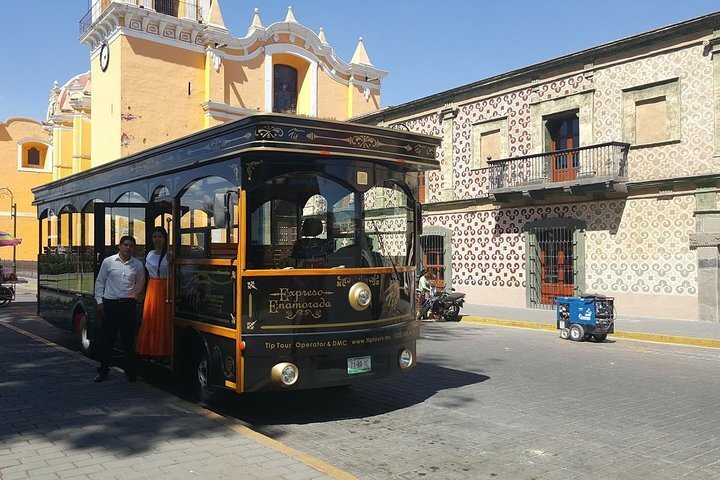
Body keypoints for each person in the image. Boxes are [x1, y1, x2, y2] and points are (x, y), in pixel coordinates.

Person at [94, 235, 146, 383]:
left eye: (131, 246)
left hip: (128, 306)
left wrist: (132, 296)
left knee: (128, 341)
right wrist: (99, 301)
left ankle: (130, 372)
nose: (128, 248)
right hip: (110, 305)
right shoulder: (108, 262)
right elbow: (100, 282)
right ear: (119, 246)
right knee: (108, 340)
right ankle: (103, 371)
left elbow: (140, 283)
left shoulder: (137, 265)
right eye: (125, 245)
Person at [136, 226, 172, 359]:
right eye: (155, 237)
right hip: (153, 287)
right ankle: (150, 348)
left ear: (165, 238)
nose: (157, 240)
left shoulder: (170, 254)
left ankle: (164, 349)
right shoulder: (150, 254)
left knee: (163, 318)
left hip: (166, 286)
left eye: (160, 237)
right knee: (151, 317)